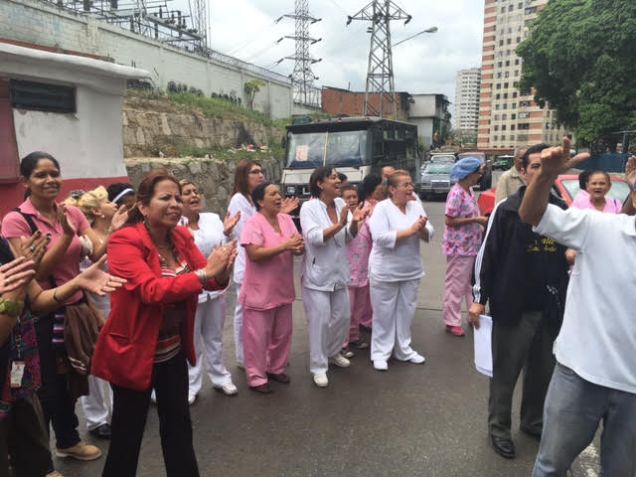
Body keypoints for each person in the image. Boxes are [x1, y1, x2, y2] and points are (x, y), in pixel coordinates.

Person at [91, 171, 236, 477]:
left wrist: (222, 269)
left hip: (171, 351)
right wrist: (205, 273)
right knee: (127, 437)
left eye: (177, 198)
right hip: (133, 354)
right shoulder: (123, 242)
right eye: (165, 198)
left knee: (179, 428)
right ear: (143, 207)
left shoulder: (181, 237)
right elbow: (151, 291)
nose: (175, 204)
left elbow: (210, 282)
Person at [519, 139, 635, 477]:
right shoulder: (602, 228)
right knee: (551, 466)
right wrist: (544, 177)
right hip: (579, 374)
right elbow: (532, 214)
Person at [1, 152, 125, 466]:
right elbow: (35, 274)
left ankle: (67, 439)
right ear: (26, 181)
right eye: (41, 175)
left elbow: (94, 252)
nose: (50, 180)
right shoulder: (18, 220)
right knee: (46, 385)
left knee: (73, 378)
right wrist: (67, 235)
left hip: (77, 304)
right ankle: (47, 454)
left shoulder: (70, 211)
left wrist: (110, 230)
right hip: (42, 311)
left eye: (54, 173)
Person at [470, 144, 571, 460]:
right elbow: (487, 257)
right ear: (523, 170)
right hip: (513, 305)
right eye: (535, 166)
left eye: (547, 166)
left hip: (549, 306)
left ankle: (532, 422)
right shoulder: (507, 210)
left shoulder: (560, 210)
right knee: (505, 374)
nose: (541, 172)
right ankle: (498, 429)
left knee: (542, 373)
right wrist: (479, 299)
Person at [300, 167, 367, 388]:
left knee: (343, 317)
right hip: (317, 277)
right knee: (320, 322)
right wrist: (340, 223)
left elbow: (347, 237)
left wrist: (355, 222)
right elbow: (314, 238)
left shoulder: (340, 204)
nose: (338, 180)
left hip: (339, 272)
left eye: (338, 177)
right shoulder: (308, 208)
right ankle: (318, 366)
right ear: (320, 184)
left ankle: (333, 352)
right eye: (333, 177)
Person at [227, 160, 298, 369]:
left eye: (261, 171)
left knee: (273, 321)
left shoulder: (261, 202)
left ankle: (270, 360)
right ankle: (245, 359)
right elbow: (247, 233)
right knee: (248, 318)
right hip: (247, 264)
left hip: (272, 268)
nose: (260, 175)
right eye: (254, 172)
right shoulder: (239, 200)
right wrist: (279, 218)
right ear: (243, 176)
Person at [66, 186, 124, 440]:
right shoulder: (85, 243)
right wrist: (94, 314)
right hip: (96, 307)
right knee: (95, 366)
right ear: (98, 210)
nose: (114, 204)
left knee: (117, 361)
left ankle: (117, 410)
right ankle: (97, 419)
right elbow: (83, 280)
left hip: (118, 305)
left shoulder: (115, 235)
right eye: (108, 202)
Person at [240, 182, 303, 393]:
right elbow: (254, 254)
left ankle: (276, 367)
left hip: (282, 288)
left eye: (279, 193)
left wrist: (297, 248)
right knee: (257, 338)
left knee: (283, 333)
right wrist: (285, 246)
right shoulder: (253, 223)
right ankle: (257, 377)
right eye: (273, 194)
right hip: (260, 291)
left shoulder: (286, 219)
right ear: (260, 201)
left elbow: (296, 245)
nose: (279, 197)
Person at [368, 170, 433, 371]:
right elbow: (380, 237)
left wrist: (421, 228)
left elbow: (429, 233)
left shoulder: (415, 205)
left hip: (411, 269)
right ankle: (380, 352)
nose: (410, 188)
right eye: (405, 185)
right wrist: (411, 230)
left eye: (411, 184)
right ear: (392, 189)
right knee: (384, 313)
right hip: (385, 270)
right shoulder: (382, 208)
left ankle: (403, 349)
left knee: (407, 311)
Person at [180, 180, 240, 401]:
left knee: (214, 336)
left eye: (196, 191)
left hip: (216, 287)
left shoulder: (213, 218)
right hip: (191, 289)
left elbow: (225, 246)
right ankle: (191, 385)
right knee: (192, 340)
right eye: (187, 193)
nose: (194, 195)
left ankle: (220, 376)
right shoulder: (175, 226)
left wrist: (226, 233)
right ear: (178, 200)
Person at [442, 158, 488, 337]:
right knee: (456, 285)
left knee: (470, 283)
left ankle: (473, 313)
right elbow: (449, 220)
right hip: (458, 247)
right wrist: (475, 220)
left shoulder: (468, 190)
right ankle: (451, 320)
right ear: (470, 174)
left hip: (471, 245)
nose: (480, 176)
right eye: (479, 172)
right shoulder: (456, 193)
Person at [341, 184, 371, 355]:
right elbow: (345, 238)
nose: (352, 200)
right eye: (348, 197)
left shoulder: (367, 215)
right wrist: (356, 221)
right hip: (347, 271)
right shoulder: (341, 217)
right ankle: (342, 343)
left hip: (363, 270)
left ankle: (354, 337)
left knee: (358, 309)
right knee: (346, 310)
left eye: (354, 196)